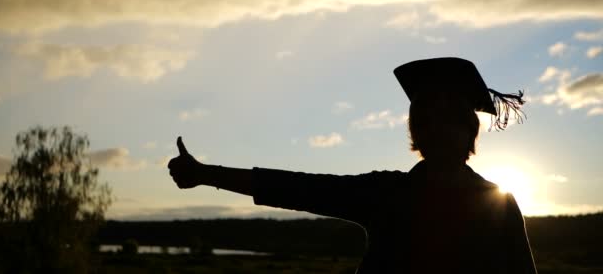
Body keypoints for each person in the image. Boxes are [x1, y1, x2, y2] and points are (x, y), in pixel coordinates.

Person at [168, 57, 537, 273]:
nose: (436, 129)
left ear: (468, 129)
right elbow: (297, 187)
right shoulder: (387, 193)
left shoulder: (498, 205)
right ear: (416, 131)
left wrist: (204, 175)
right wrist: (205, 174)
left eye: (447, 119)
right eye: (425, 120)